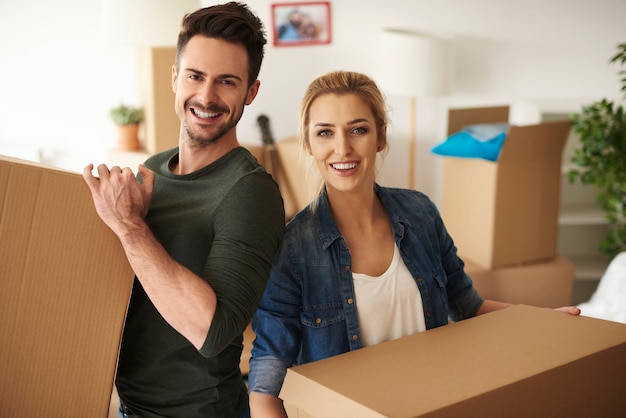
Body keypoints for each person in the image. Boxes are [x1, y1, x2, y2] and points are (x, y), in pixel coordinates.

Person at [247, 70, 581, 417]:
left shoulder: (420, 213)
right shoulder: (291, 249)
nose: (342, 148)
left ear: (380, 136)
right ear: (309, 144)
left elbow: (468, 307)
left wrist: (542, 322)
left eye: (358, 129)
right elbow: (265, 389)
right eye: (325, 133)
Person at [82, 3, 285, 418]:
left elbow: (211, 331)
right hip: (129, 407)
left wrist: (129, 226)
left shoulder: (250, 191)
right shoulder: (150, 172)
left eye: (226, 82)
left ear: (251, 92)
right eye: (195, 76)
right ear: (175, 78)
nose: (206, 97)